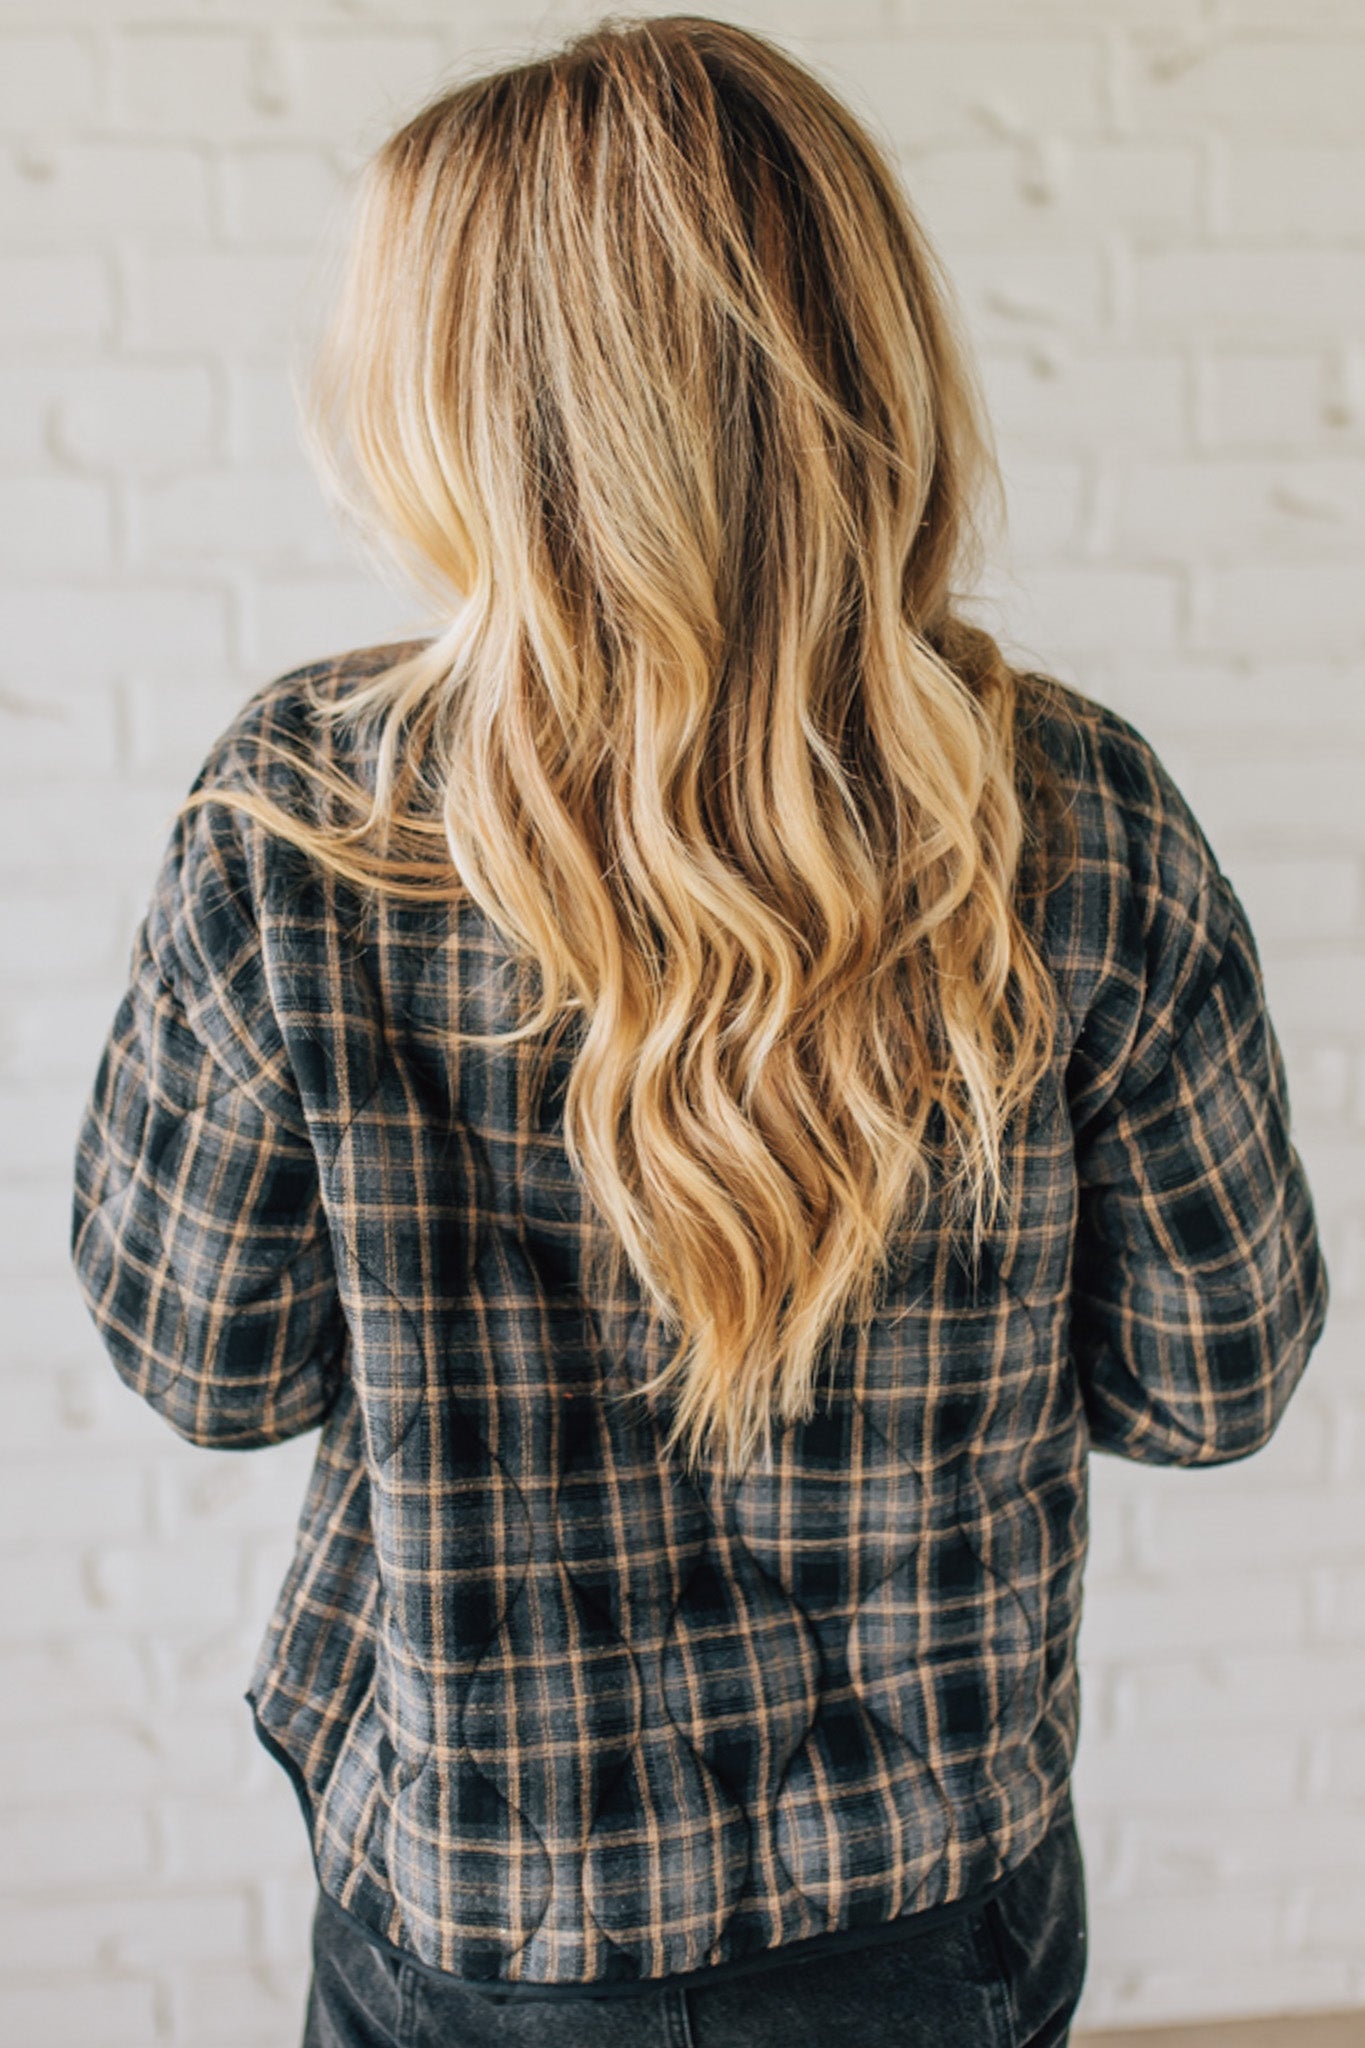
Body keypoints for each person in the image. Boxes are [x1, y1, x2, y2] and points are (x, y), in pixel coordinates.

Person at [68, 13, 1330, 2047]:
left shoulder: (298, 819)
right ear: (861, 365)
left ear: (456, 410)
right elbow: (1211, 1380)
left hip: (480, 1899)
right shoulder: (1076, 811)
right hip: (920, 1888)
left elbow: (209, 1368)